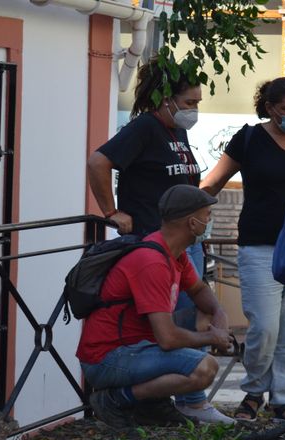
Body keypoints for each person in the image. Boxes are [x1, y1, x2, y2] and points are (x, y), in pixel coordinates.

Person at [201, 78, 285, 423]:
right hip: (259, 245)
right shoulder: (249, 138)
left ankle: (282, 397)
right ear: (270, 108)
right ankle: (254, 391)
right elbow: (214, 182)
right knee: (264, 327)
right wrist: (188, 214)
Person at [77, 185, 235, 427]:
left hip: (137, 350)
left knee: (195, 361)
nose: (209, 221)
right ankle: (115, 400)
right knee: (205, 368)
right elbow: (168, 338)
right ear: (192, 223)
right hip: (106, 358)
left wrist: (219, 312)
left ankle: (151, 405)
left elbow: (199, 290)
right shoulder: (152, 262)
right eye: (207, 215)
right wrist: (212, 338)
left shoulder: (174, 253)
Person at [86, 58, 206, 336]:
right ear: (166, 100)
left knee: (190, 319)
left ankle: (187, 374)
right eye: (189, 103)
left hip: (186, 244)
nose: (195, 110)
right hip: (154, 244)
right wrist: (111, 212)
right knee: (168, 326)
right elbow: (98, 162)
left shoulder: (177, 130)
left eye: (197, 103)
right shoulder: (144, 128)